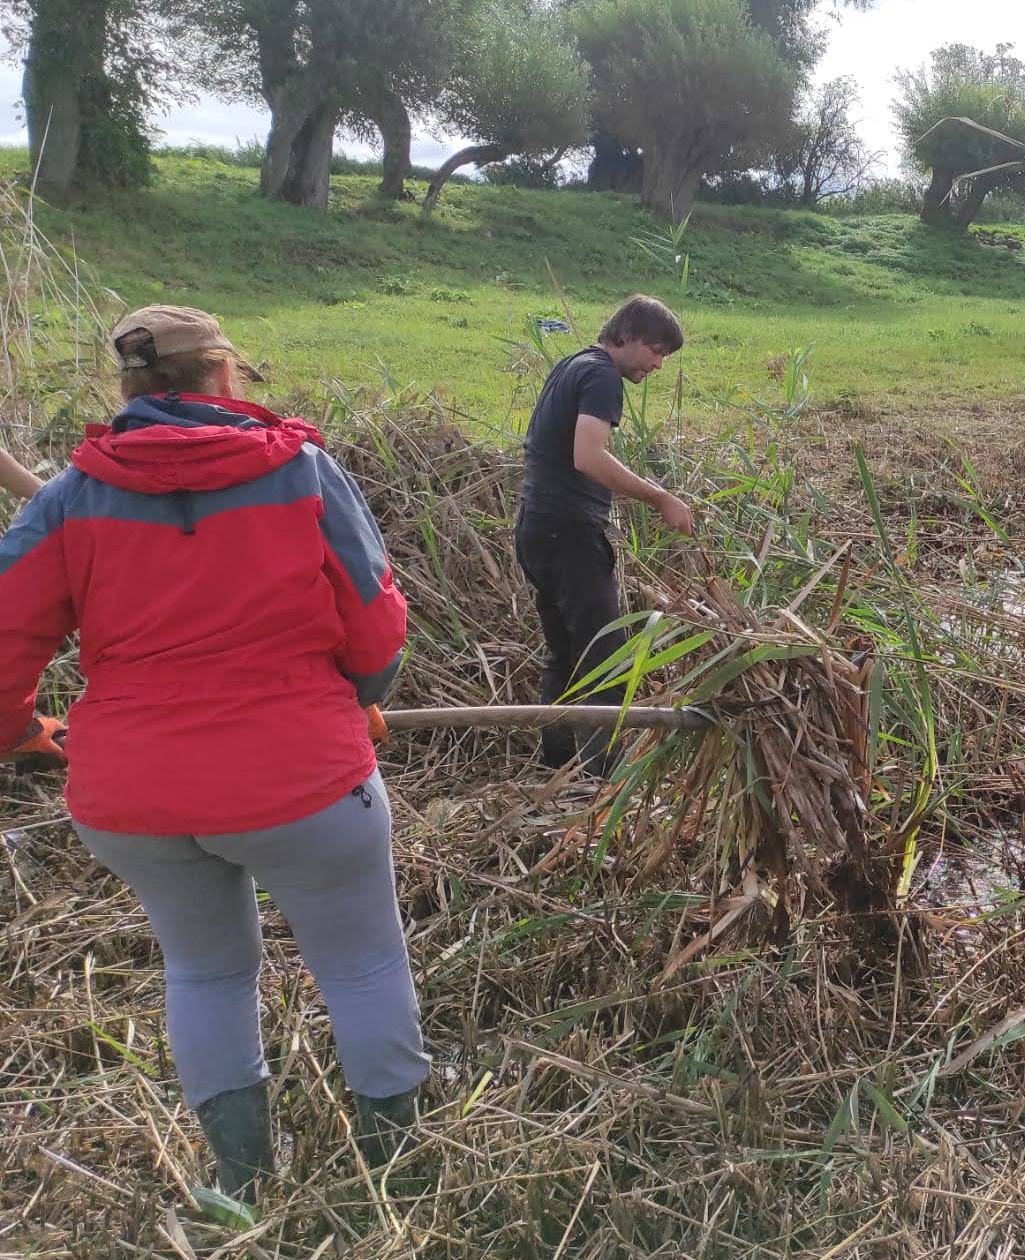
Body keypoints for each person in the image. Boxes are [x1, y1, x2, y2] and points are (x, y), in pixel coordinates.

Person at [0, 304, 424, 1200]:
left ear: (128, 390)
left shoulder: (73, 496)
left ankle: (242, 1181)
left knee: (204, 968)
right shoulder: (301, 469)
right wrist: (361, 698)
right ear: (225, 377)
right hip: (303, 778)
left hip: (132, 797)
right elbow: (376, 619)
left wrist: (22, 734)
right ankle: (394, 1183)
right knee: (364, 964)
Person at [516, 295, 695, 771]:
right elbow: (588, 456)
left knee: (564, 654)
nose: (658, 364)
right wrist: (661, 497)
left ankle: (555, 767)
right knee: (604, 659)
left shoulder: (571, 365)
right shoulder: (600, 375)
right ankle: (602, 781)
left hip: (536, 529)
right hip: (569, 534)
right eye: (656, 350)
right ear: (629, 336)